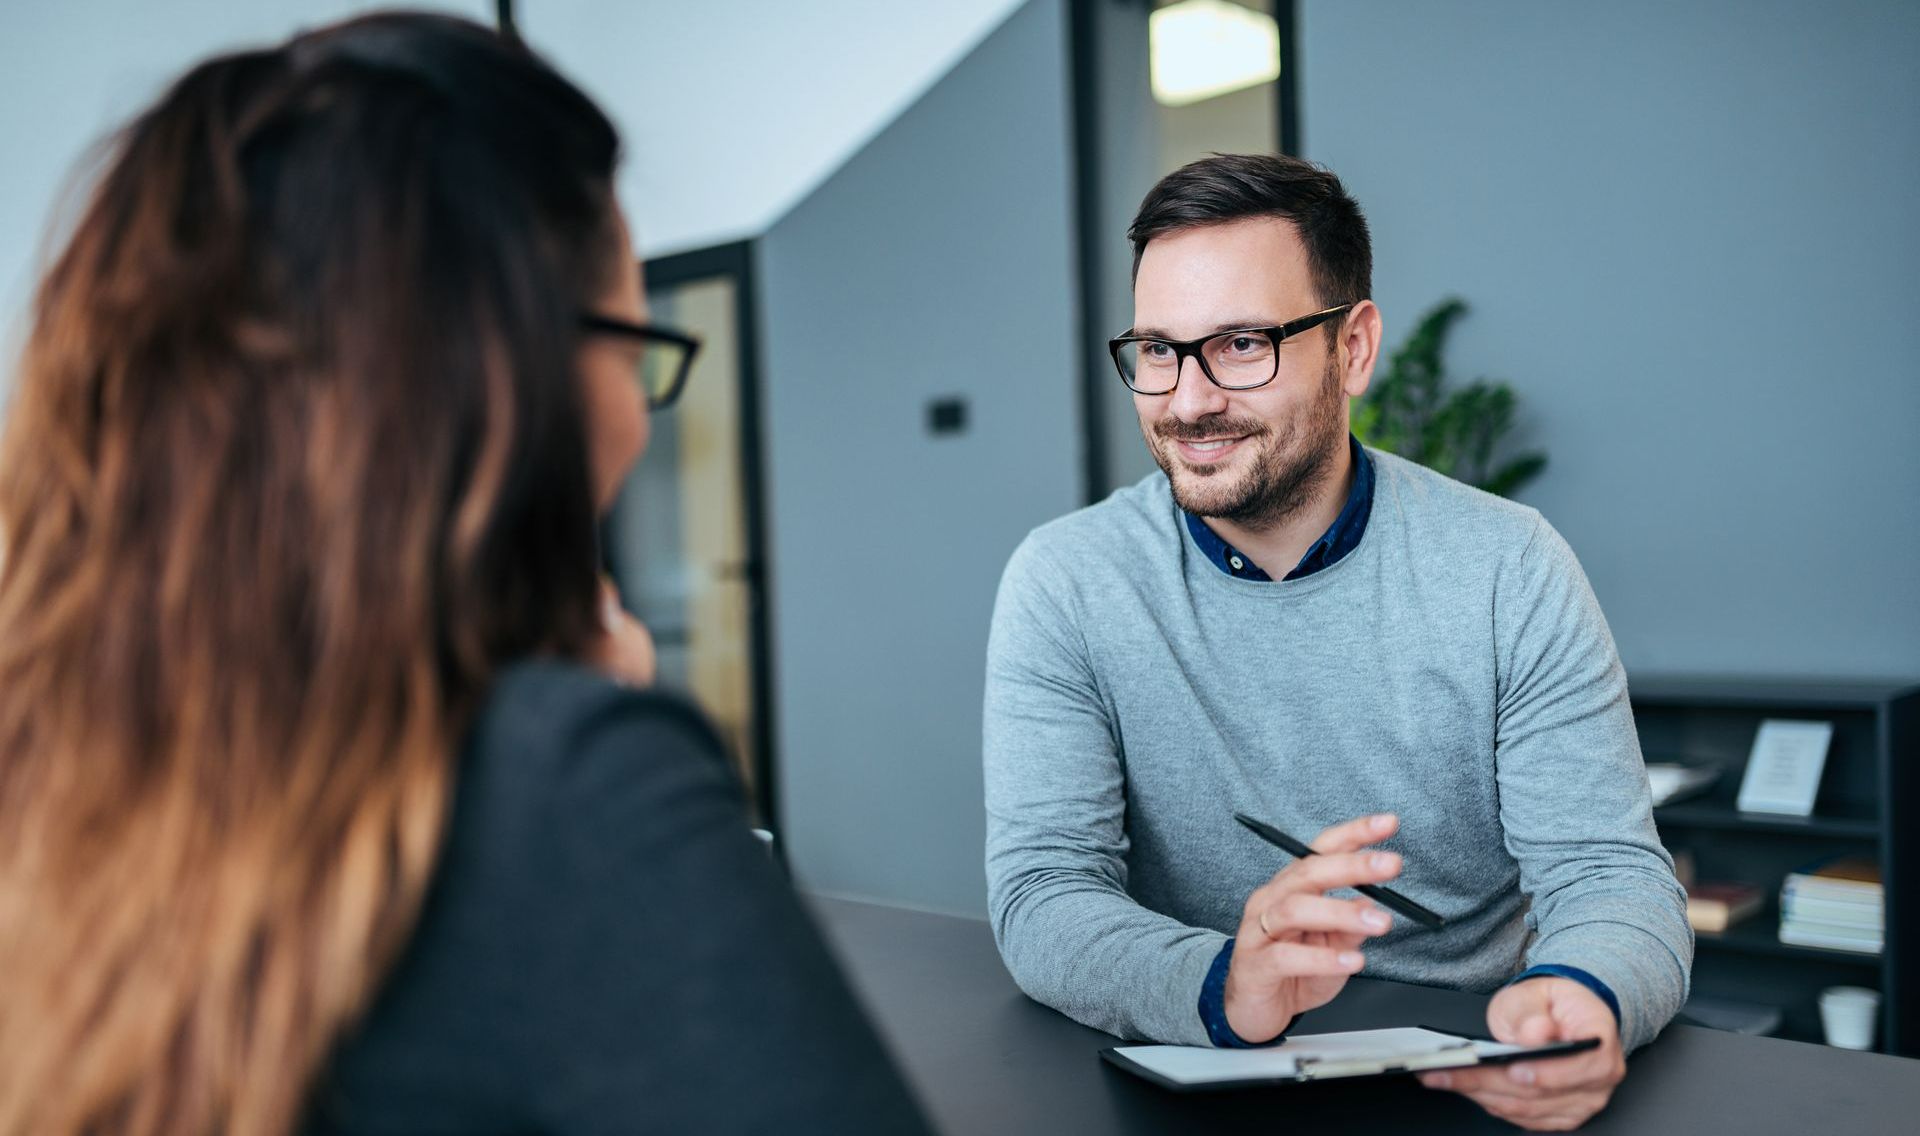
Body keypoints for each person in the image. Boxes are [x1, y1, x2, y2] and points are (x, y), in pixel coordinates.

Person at [0, 14, 928, 1135]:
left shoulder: (52, 766)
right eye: (636, 351)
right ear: (505, 383)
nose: (638, 413)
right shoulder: (569, 792)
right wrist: (589, 732)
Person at [984, 153, 1691, 1131]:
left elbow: (1610, 875)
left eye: (1239, 344)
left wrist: (1582, 993)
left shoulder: (1507, 565)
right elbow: (1045, 894)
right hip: (1195, 1069)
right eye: (1157, 348)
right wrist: (1225, 977)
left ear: (1353, 348)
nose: (1187, 399)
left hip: (1466, 1068)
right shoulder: (1066, 580)